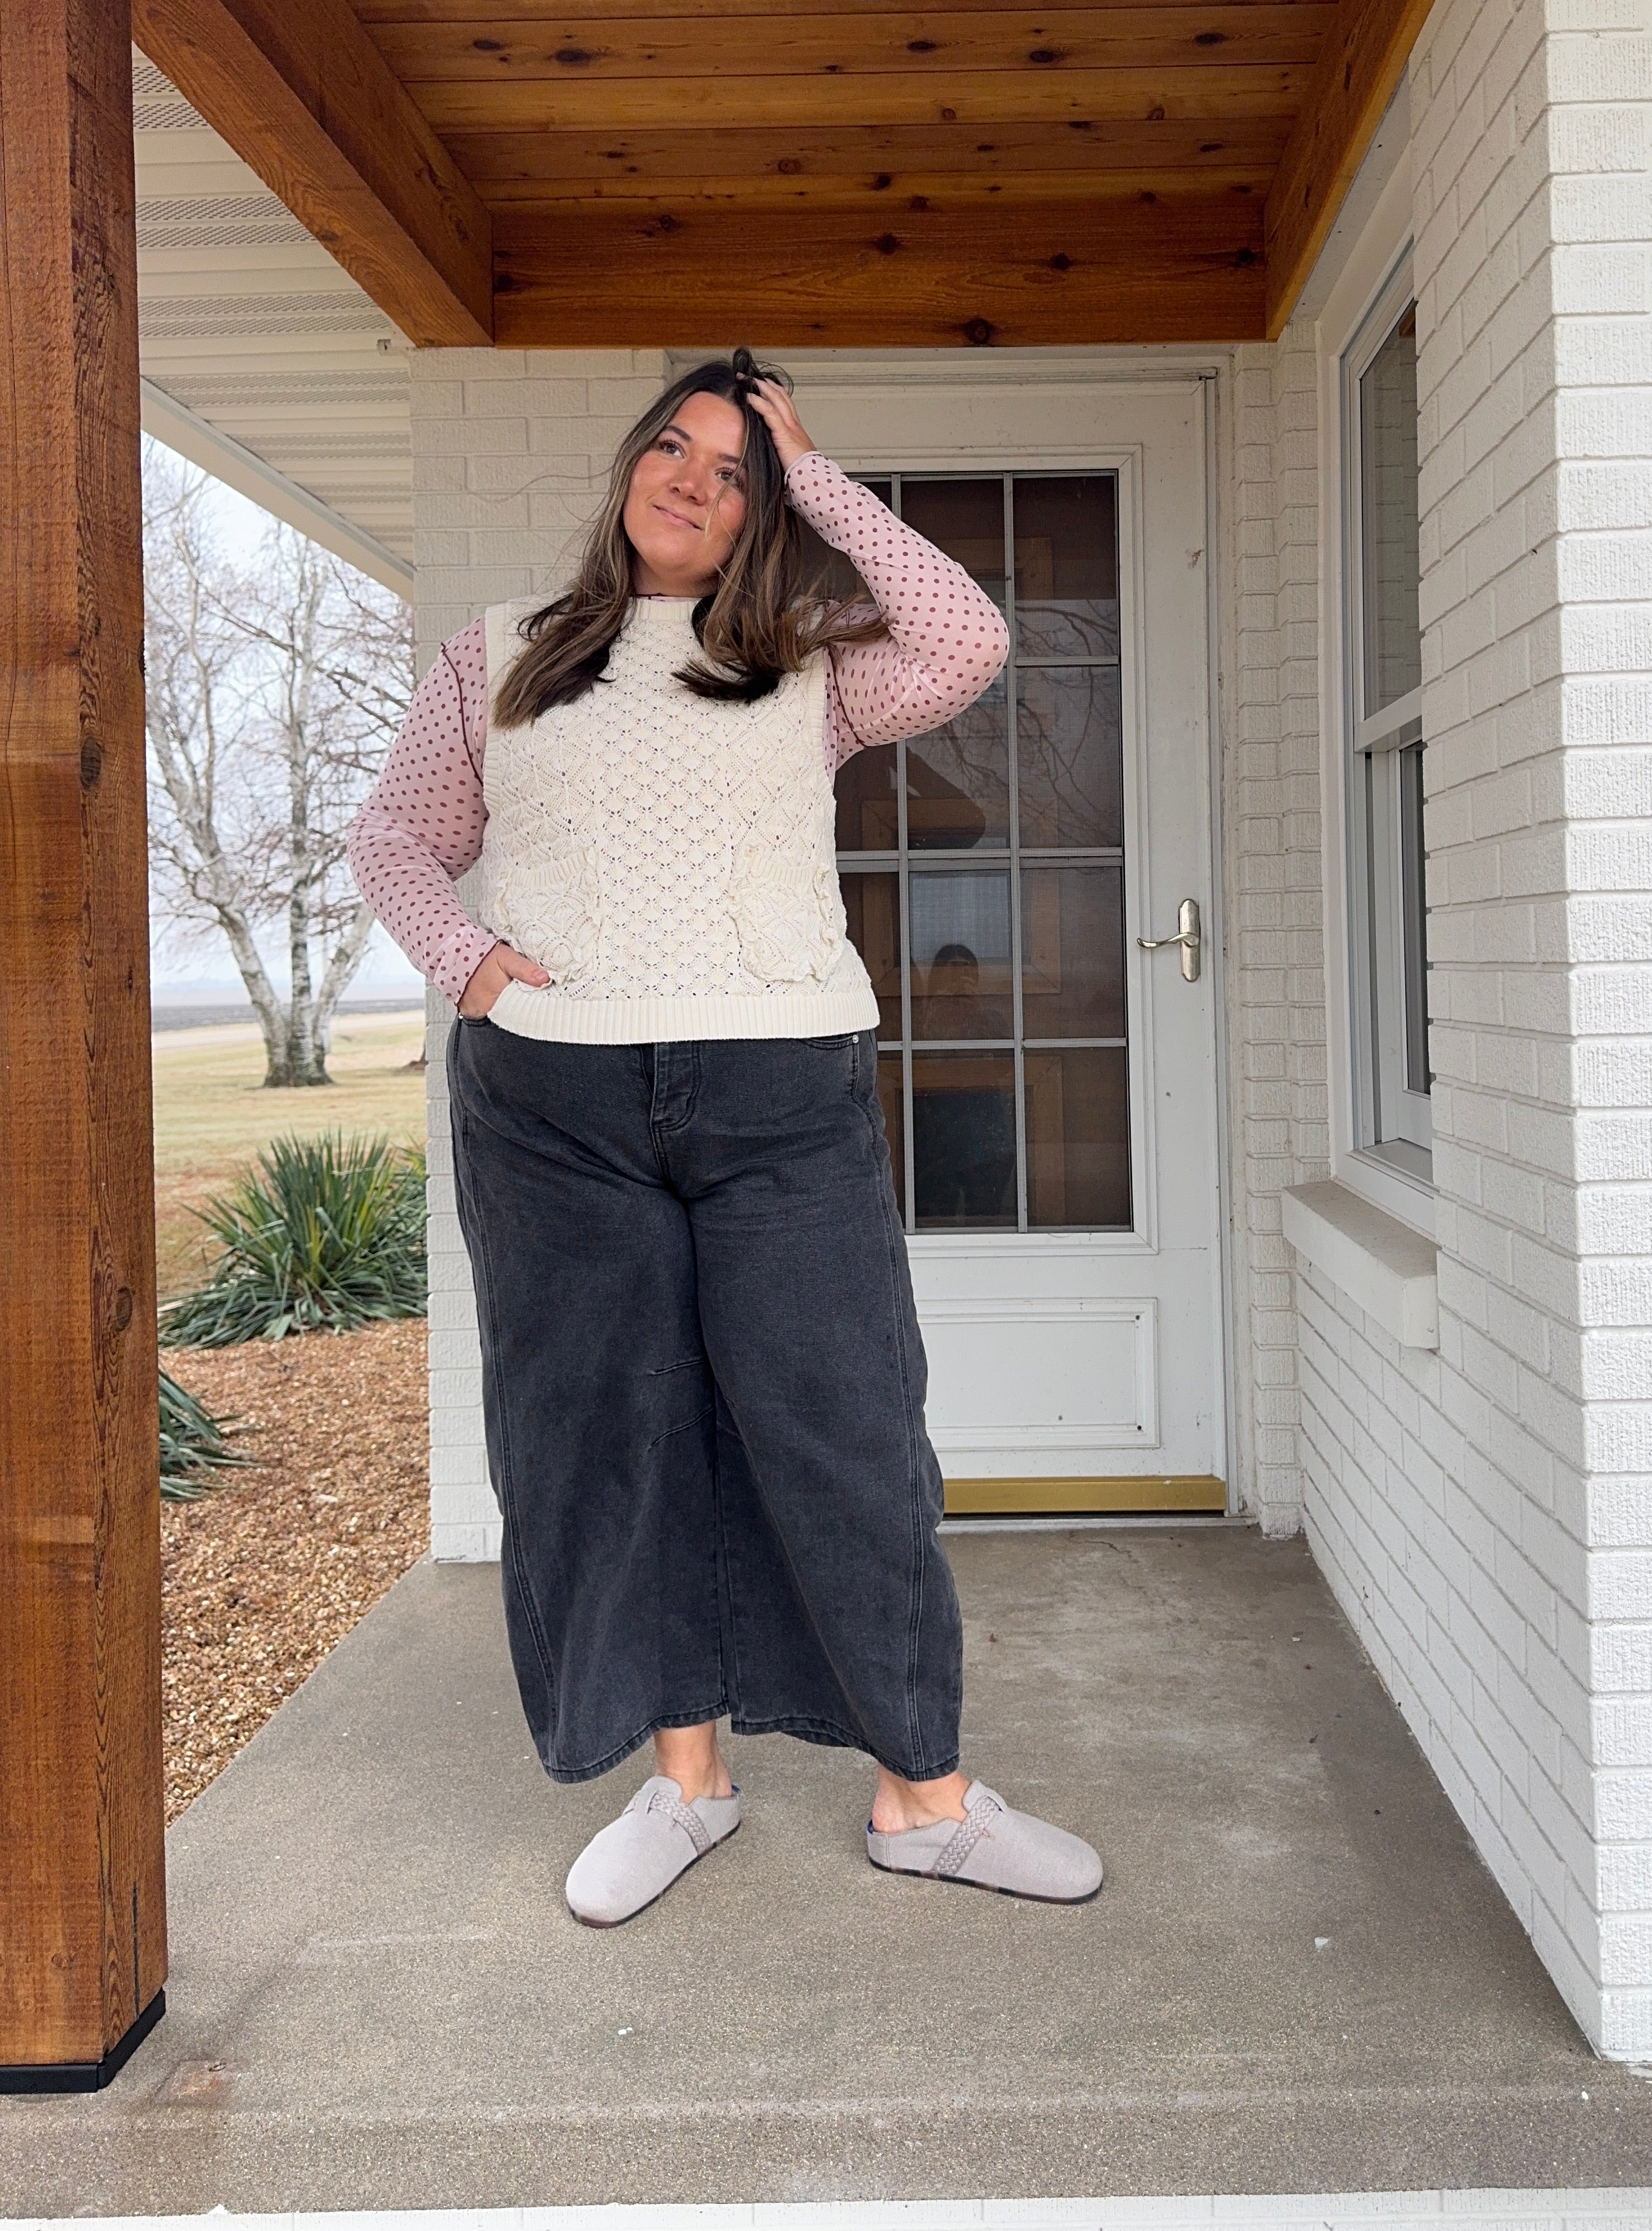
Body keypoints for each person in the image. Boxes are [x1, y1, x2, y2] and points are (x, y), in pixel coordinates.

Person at [350, 351, 1102, 1925]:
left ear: (768, 510)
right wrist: (469, 964)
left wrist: (816, 473)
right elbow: (398, 836)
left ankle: (924, 1796)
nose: (693, 482)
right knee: (611, 1435)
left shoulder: (805, 660)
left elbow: (968, 637)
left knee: (844, 1428)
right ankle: (686, 1780)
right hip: (556, 1111)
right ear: (633, 460)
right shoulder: (500, 657)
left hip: (779, 1096)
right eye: (676, 448)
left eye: (735, 471)